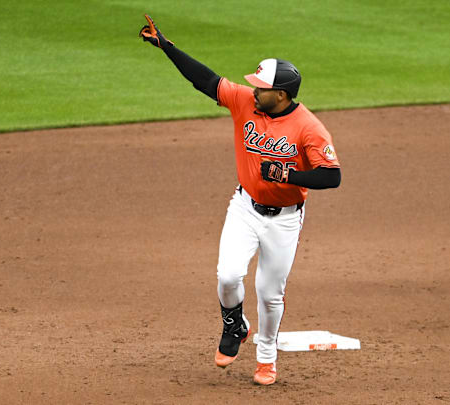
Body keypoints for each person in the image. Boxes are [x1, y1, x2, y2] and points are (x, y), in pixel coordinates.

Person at [139, 16, 341, 384]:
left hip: (284, 219)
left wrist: (289, 176)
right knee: (229, 276)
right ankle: (235, 325)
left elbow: (332, 176)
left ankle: (266, 360)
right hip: (245, 207)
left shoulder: (309, 127)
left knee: (269, 292)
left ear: (281, 95)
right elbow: (205, 80)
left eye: (261, 88)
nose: (253, 91)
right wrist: (166, 46)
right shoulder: (246, 103)